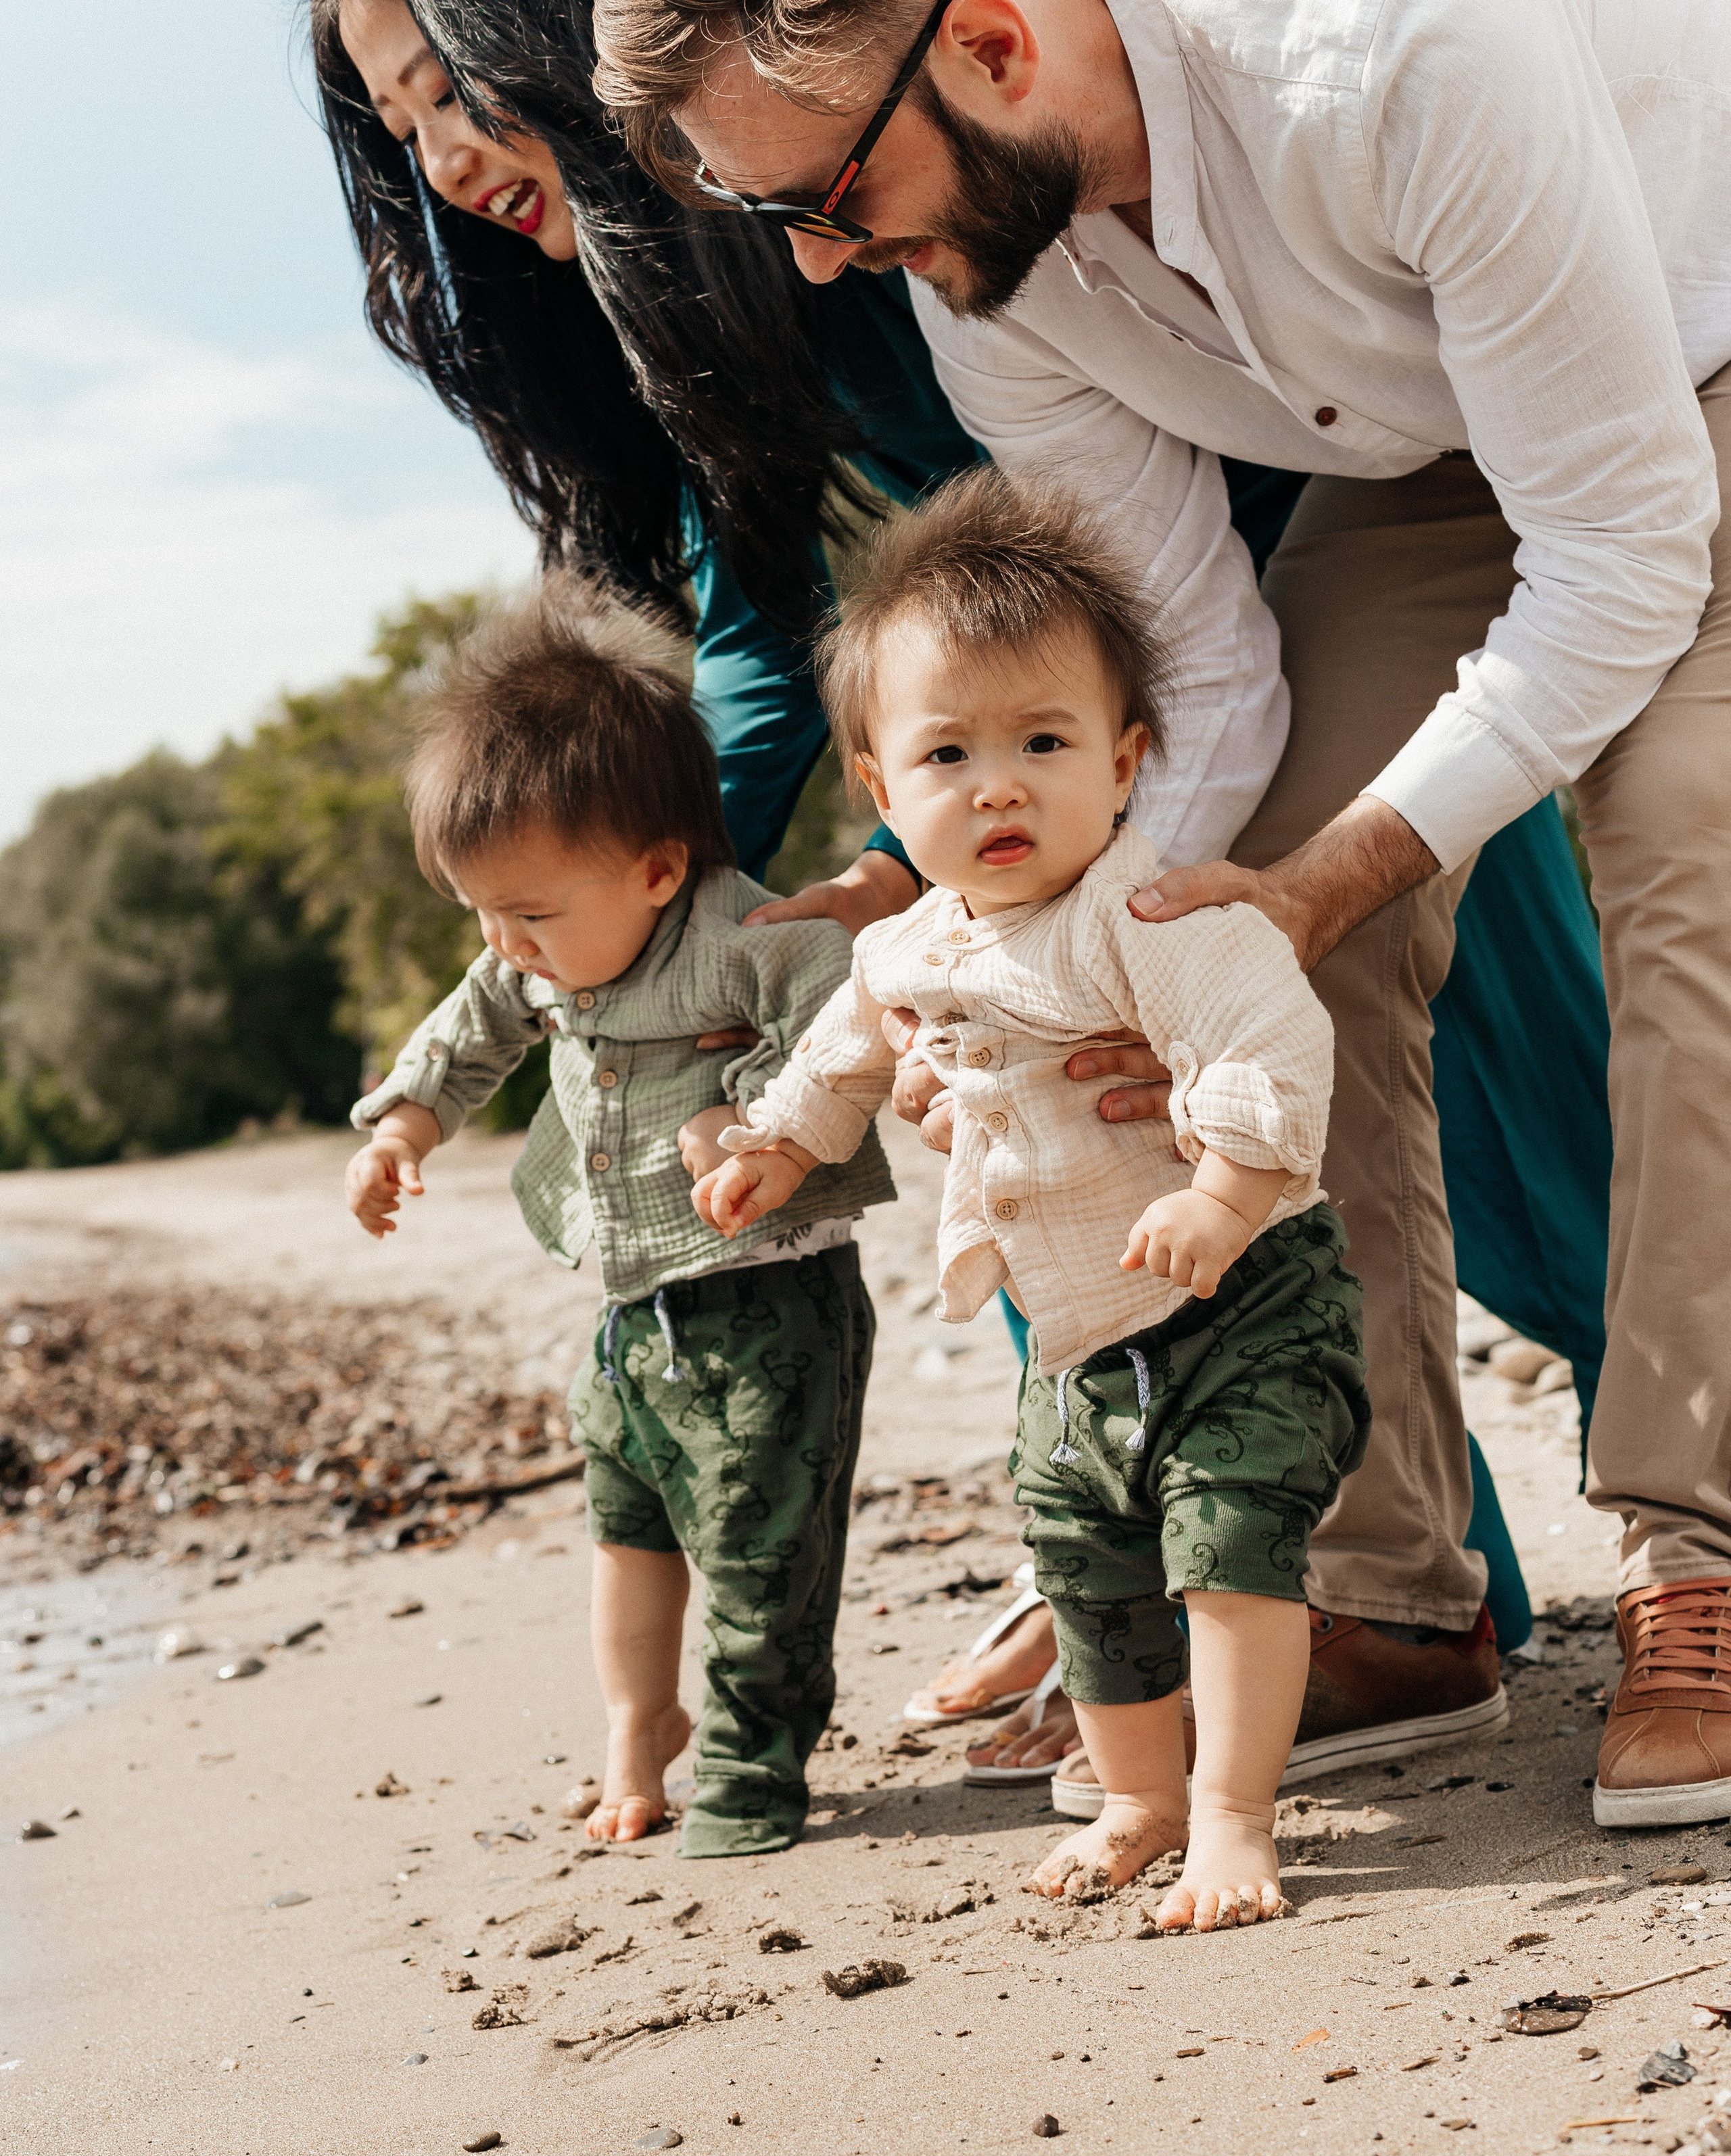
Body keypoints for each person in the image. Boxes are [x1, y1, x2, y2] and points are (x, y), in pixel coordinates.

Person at [316, 0, 1615, 1802]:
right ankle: (1309, 1584)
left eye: (448, 91)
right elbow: (755, 619)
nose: (444, 157)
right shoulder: (710, 260)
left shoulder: (866, 158)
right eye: (395, 128)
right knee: (1061, 1117)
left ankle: (1641, 1505)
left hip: (1257, 563)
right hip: (1016, 733)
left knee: (1533, 1116)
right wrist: (685, 884)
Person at [696, 471, 1369, 1922]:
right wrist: (775, 1147)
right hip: (1069, 1341)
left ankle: (1234, 1814)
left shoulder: (1144, 915)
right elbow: (843, 1057)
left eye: (1043, 741)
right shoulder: (903, 950)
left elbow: (1269, 1039)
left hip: (1237, 1296)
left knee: (1225, 1549)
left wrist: (1226, 1192)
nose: (997, 785)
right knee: (1090, 1569)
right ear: (880, 791)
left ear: (1123, 764)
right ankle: (1135, 1798)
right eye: (945, 754)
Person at [344, 588, 893, 1855]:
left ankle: (756, 1761)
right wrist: (404, 1129)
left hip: (771, 1301)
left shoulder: (747, 938)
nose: (507, 944)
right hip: (630, 1307)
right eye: (484, 913)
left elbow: (843, 1022)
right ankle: (638, 1729)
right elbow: (471, 1027)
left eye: (530, 915)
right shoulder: (541, 948)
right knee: (627, 1523)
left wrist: (761, 1118)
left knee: (764, 1553)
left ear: (658, 869)